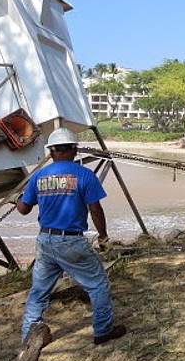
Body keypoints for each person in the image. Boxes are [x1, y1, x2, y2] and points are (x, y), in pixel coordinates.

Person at [16, 127, 126, 345]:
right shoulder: (84, 174)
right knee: (98, 285)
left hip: (45, 241)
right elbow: (95, 209)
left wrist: (17, 197)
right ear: (75, 150)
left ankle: (29, 337)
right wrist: (103, 235)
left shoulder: (39, 176)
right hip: (71, 241)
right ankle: (103, 331)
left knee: (38, 293)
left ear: (52, 151)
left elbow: (23, 209)